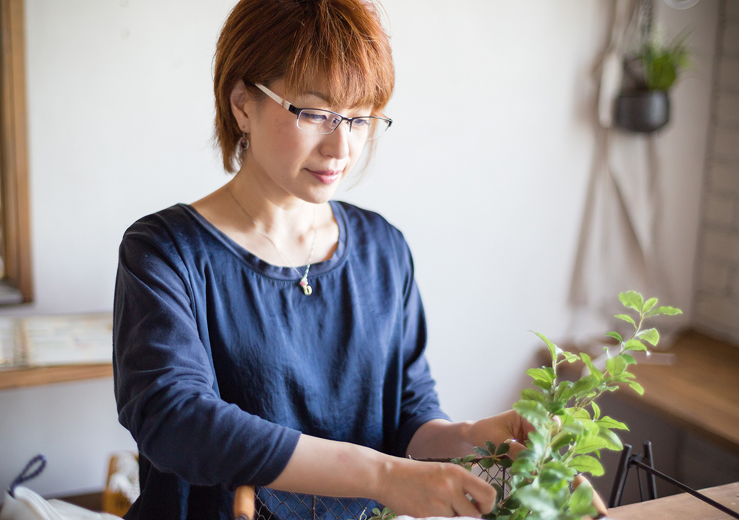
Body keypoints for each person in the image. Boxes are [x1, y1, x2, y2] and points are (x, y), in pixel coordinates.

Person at [112, 1, 532, 519]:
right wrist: (383, 476)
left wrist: (467, 439)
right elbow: (176, 419)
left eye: (359, 119)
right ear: (243, 102)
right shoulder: (164, 252)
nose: (341, 147)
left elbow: (407, 414)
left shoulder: (384, 249)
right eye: (314, 113)